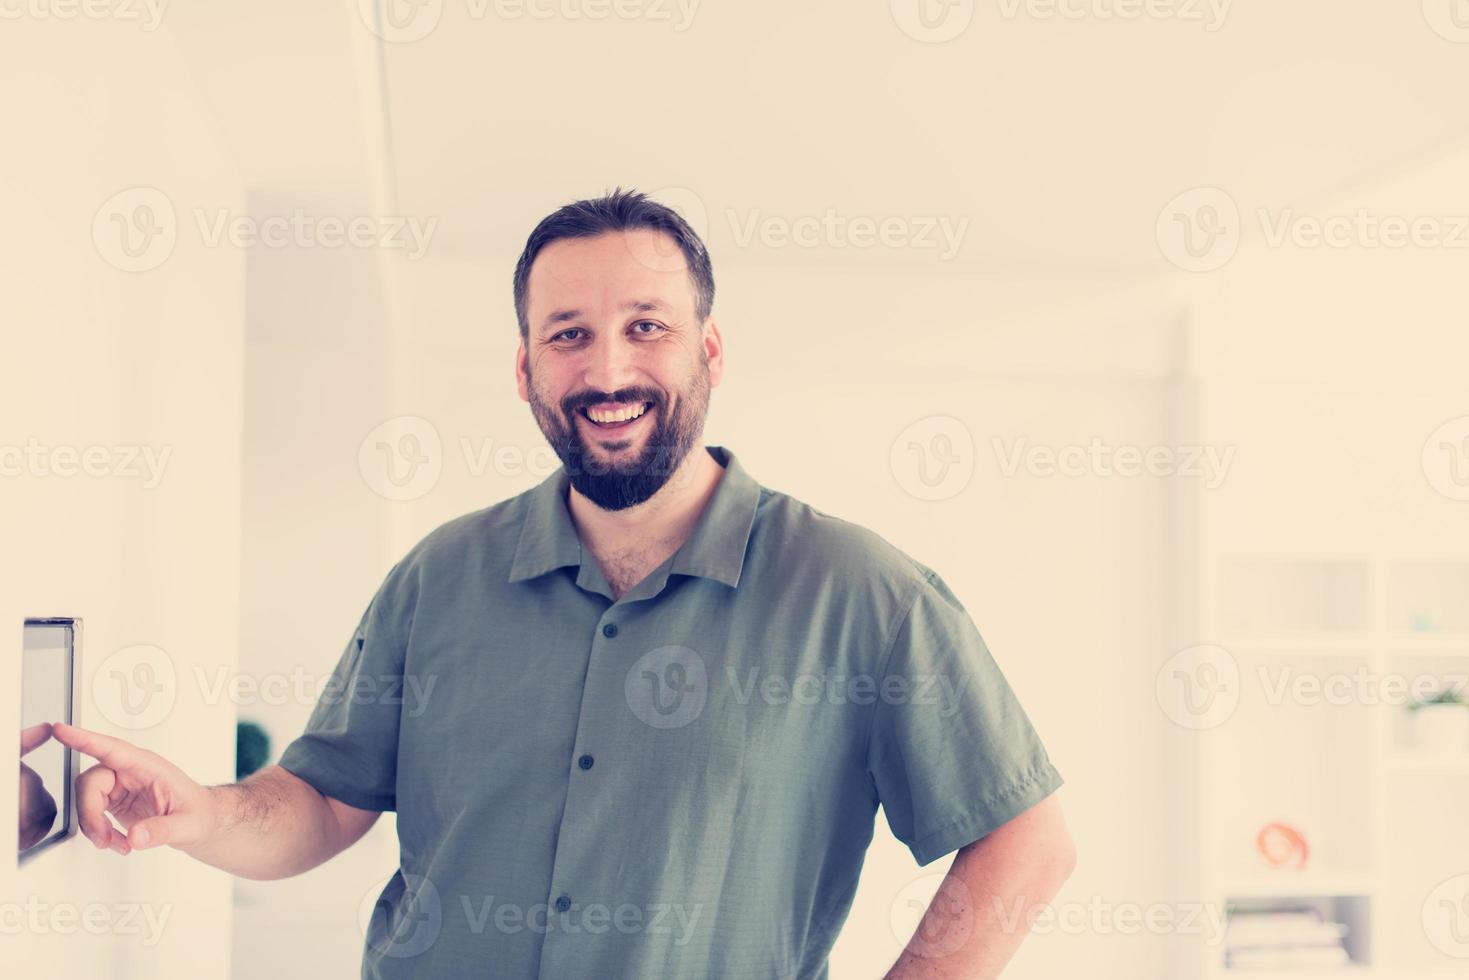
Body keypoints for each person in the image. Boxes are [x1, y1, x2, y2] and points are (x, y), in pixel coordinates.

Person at [53, 188, 1076, 979]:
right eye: (568, 333)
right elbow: (321, 799)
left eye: (647, 326)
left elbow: (1024, 841)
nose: (606, 370)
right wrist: (201, 809)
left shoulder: (856, 592)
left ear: (708, 349)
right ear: (526, 368)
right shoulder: (440, 576)